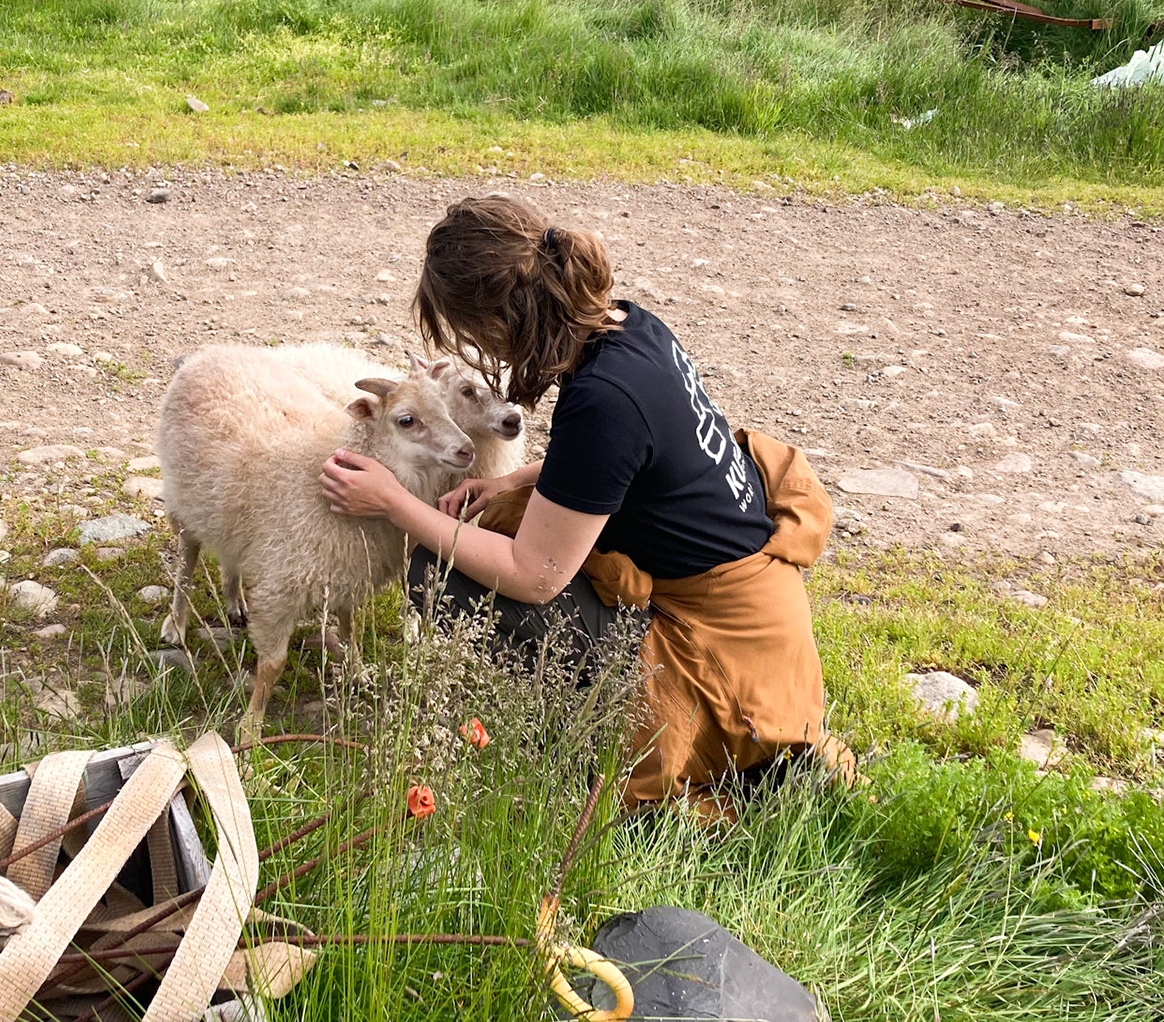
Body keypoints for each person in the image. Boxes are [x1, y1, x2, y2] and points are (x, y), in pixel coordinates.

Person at [318, 194, 854, 813]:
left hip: (725, 664)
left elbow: (536, 575)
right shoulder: (627, 329)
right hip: (765, 627)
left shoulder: (603, 399)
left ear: (497, 321)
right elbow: (629, 460)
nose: (479, 354)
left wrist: (393, 501)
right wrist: (512, 484)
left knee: (438, 571)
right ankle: (602, 710)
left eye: (470, 335)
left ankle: (629, 733)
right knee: (497, 519)